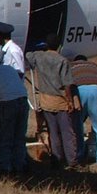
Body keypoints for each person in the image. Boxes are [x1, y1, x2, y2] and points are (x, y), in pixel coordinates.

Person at [25, 34, 79, 168]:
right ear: (59, 46)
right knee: (67, 132)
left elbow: (28, 55)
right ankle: (72, 161)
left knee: (53, 132)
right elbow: (67, 84)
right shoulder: (62, 61)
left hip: (45, 101)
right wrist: (70, 101)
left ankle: (56, 159)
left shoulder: (39, 57)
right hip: (60, 101)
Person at [71, 55, 97, 165]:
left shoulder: (71, 66)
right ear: (86, 60)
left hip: (80, 91)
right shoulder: (93, 65)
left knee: (77, 125)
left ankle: (79, 156)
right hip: (96, 90)